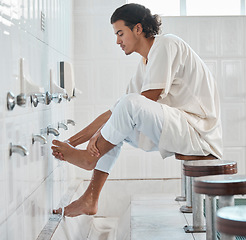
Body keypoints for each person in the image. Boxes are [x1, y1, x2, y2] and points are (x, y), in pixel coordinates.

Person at [52, 3, 223, 217]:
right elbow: (114, 113)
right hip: (176, 127)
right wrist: (70, 143)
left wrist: (95, 140)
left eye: (120, 33)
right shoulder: (145, 63)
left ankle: (89, 158)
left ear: (138, 29)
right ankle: (90, 198)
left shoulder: (165, 44)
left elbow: (141, 102)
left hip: (197, 132)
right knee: (121, 113)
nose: (117, 41)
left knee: (127, 107)